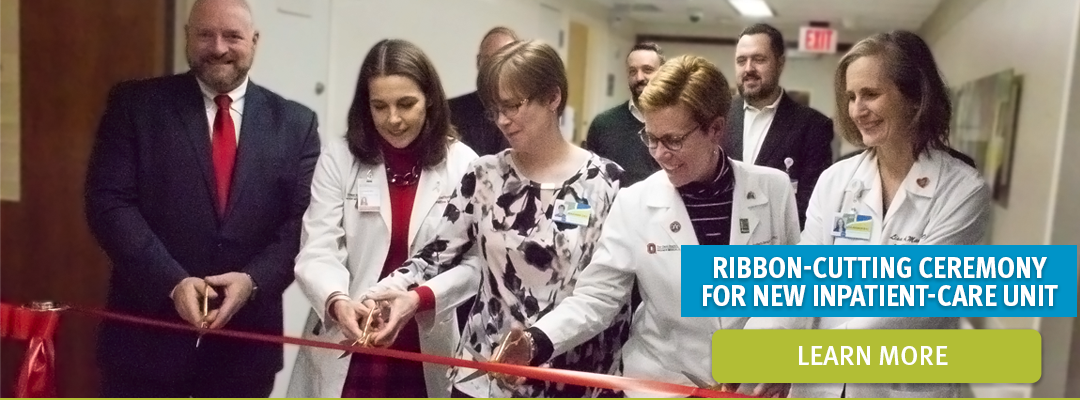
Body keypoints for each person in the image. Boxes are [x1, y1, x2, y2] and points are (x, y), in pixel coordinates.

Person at [486, 54, 805, 398]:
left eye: (673, 140)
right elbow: (598, 297)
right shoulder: (636, 202)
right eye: (650, 138)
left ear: (715, 128)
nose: (659, 154)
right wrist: (537, 341)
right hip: (665, 383)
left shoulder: (773, 189)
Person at [362, 40, 632, 398]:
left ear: (553, 97)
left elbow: (609, 294)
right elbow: (435, 256)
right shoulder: (485, 176)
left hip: (575, 379)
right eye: (495, 109)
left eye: (513, 106)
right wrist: (377, 295)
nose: (503, 120)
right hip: (486, 376)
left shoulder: (606, 184)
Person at [83, 0, 320, 396]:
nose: (218, 47)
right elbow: (108, 203)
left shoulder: (296, 124)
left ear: (255, 41)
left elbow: (304, 221)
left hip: (245, 349)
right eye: (205, 34)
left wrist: (253, 281)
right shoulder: (136, 106)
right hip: (145, 342)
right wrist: (172, 282)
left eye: (232, 36)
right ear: (187, 36)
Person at [795, 30, 991, 398]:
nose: (857, 110)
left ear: (915, 97)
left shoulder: (963, 190)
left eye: (871, 94)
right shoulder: (835, 180)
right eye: (851, 97)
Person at [285, 39, 480, 398]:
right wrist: (337, 301)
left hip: (423, 338)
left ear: (431, 99)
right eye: (379, 106)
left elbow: (474, 263)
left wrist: (419, 298)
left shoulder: (463, 164)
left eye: (406, 104)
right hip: (352, 333)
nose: (393, 119)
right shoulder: (340, 158)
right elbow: (318, 248)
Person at [724, 23, 834, 228]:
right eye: (741, 60)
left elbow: (810, 204)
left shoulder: (813, 126)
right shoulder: (716, 116)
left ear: (780, 63)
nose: (748, 69)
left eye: (759, 59)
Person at [584, 42, 663, 187]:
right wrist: (575, 211)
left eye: (647, 70)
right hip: (613, 209)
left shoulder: (676, 124)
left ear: (663, 74)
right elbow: (586, 183)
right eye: (633, 71)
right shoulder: (603, 124)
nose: (639, 78)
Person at [448, 26, 519, 156]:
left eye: (503, 59)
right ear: (478, 62)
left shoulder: (528, 112)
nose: (494, 67)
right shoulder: (449, 111)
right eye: (488, 60)